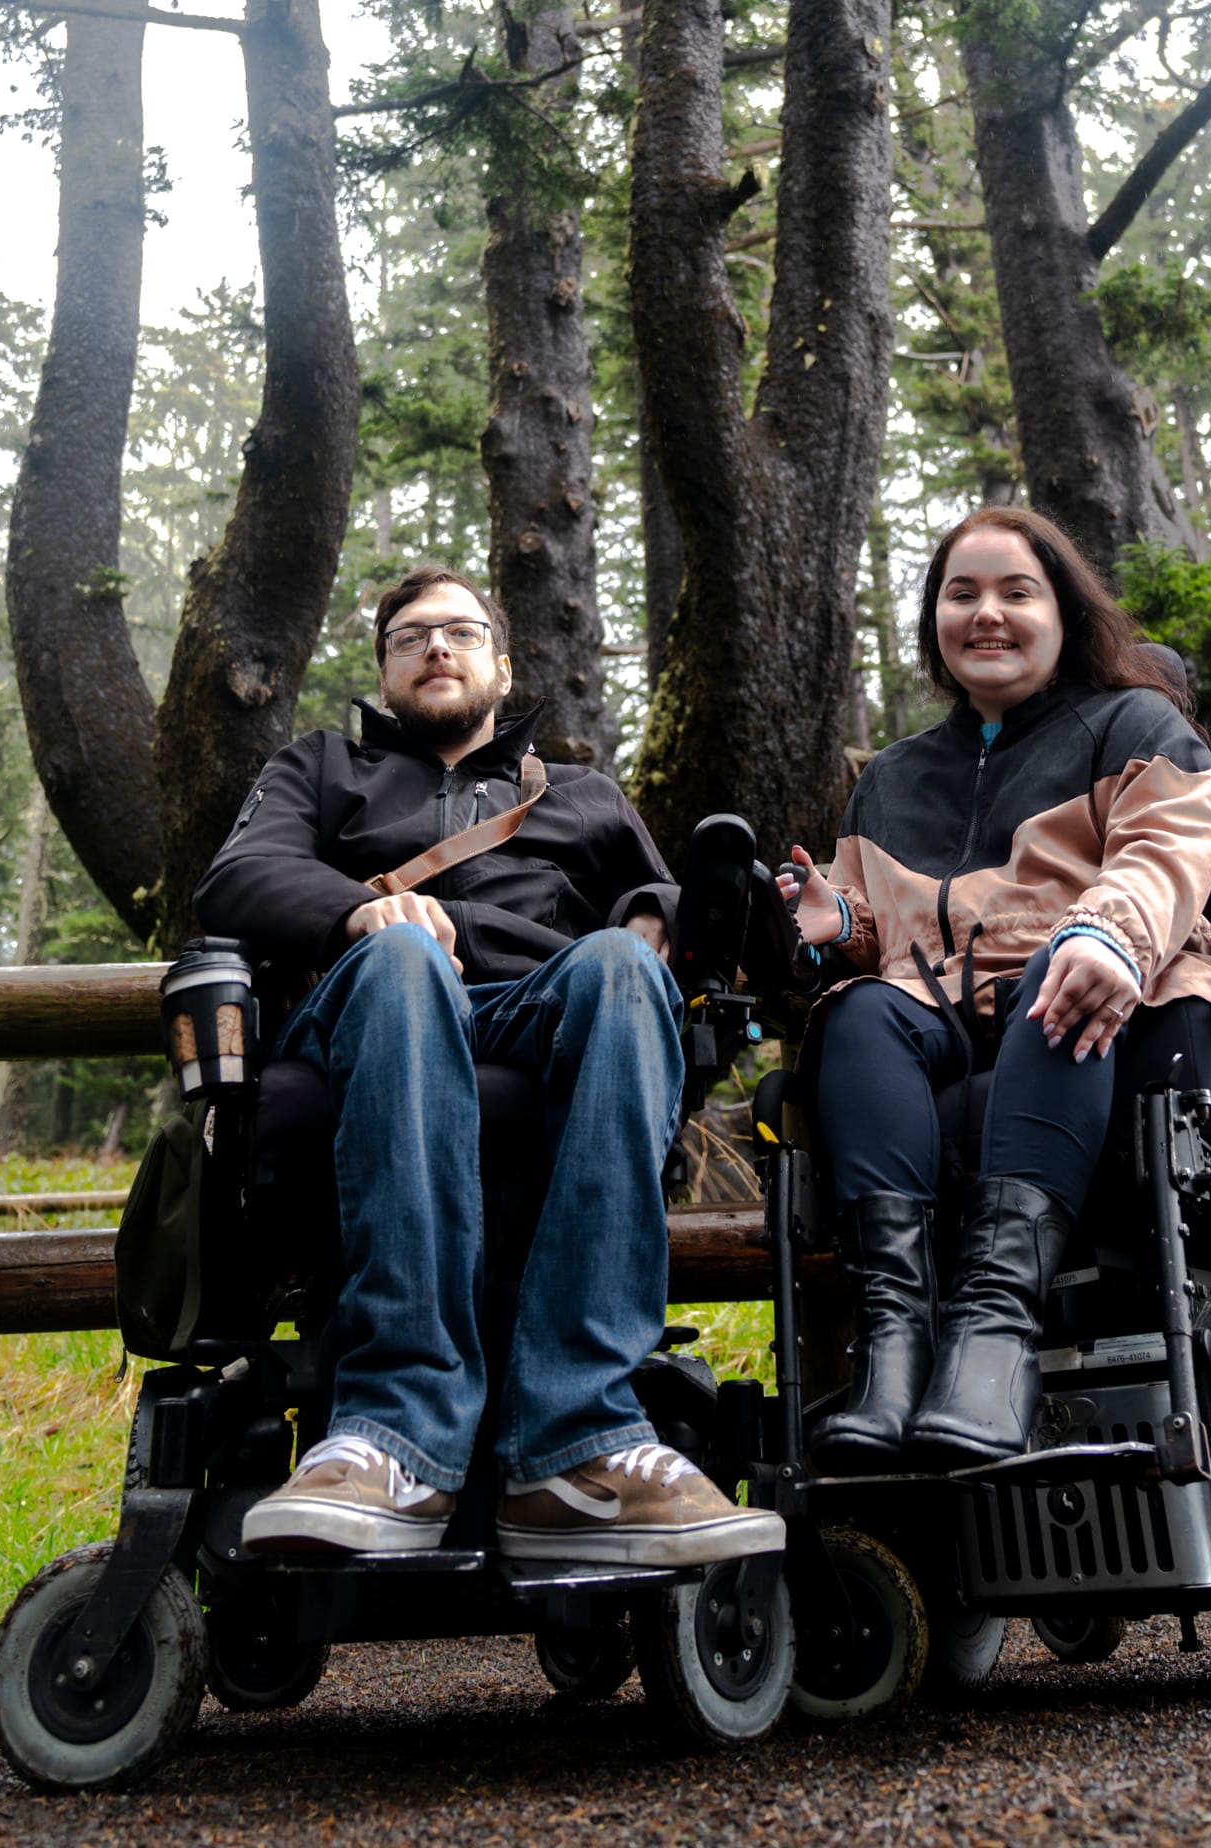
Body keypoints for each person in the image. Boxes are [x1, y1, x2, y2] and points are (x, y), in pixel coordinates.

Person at [195, 559, 782, 1572]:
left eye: (461, 633)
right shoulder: (322, 767)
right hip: (373, 1005)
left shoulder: (585, 797)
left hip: (536, 1011)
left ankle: (579, 1441)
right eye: (411, 635)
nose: (435, 646)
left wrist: (657, 913)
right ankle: (393, 1435)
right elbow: (239, 876)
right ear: (383, 673)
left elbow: (677, 918)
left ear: (502, 670)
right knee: (402, 960)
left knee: (615, 969)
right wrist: (355, 910)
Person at [781, 506, 1211, 1470]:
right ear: (933, 620)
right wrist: (840, 926)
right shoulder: (887, 779)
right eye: (961, 593)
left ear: (1063, 612)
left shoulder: (1133, 725)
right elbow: (883, 931)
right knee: (854, 1017)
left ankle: (994, 1331)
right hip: (937, 1009)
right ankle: (894, 1343)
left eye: (1017, 592)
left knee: (1061, 979)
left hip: (1098, 986)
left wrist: (1109, 933)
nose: (988, 614)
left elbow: (1167, 851)